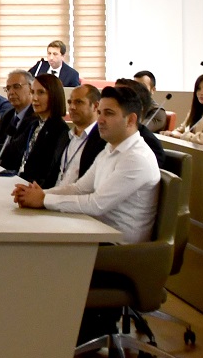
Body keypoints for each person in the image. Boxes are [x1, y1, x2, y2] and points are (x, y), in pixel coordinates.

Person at [12, 85, 161, 244]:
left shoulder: (136, 158)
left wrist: (43, 200)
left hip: (117, 245)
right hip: (94, 230)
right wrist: (39, 194)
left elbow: (97, 204)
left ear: (131, 119)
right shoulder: (109, 148)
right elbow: (79, 188)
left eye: (109, 113)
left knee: (33, 240)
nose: (100, 120)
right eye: (100, 113)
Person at [7, 74, 71, 185]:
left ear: (54, 95)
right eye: (32, 92)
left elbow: (48, 174)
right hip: (18, 181)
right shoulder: (34, 123)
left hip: (35, 188)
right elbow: (11, 149)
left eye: (41, 92)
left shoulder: (59, 130)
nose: (35, 98)